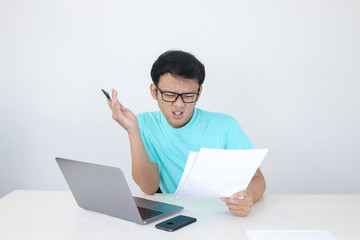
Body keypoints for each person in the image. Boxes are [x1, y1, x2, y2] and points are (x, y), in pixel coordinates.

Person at [105, 50, 266, 217]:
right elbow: (148, 187)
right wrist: (132, 131)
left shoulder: (226, 126)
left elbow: (257, 179)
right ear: (154, 91)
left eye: (189, 95)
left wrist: (249, 197)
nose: (179, 104)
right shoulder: (143, 124)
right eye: (170, 95)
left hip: (220, 215)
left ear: (199, 92)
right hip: (173, 217)